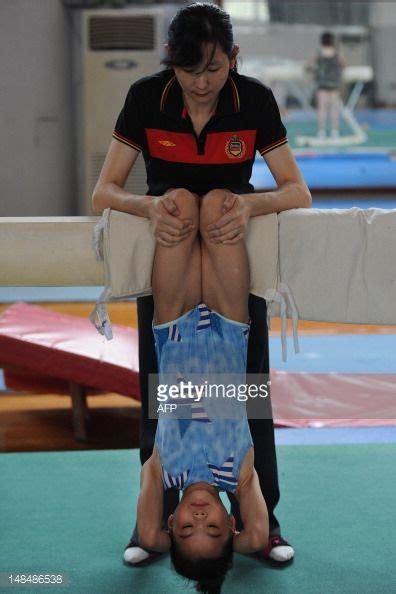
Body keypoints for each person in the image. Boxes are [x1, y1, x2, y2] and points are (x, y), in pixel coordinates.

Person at [92, 0, 311, 569]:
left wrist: (248, 204)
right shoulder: (148, 97)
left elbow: (296, 190)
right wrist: (147, 207)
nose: (202, 83)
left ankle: (266, 521)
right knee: (162, 400)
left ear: (233, 59)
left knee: (250, 398)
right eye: (190, 73)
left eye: (214, 69)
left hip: (233, 249)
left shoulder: (254, 100)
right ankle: (155, 521)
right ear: (172, 65)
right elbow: (105, 191)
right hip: (168, 246)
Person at [135, 187, 269, 593]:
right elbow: (257, 537)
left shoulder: (162, 472)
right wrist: (233, 548)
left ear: (171, 524)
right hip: (230, 326)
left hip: (171, 326)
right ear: (231, 522)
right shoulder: (239, 476)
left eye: (187, 528)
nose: (197, 517)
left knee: (178, 204)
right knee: (217, 205)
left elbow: (148, 535)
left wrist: (162, 540)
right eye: (211, 527)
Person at [307, 31, 346, 139]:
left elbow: (308, 65)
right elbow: (344, 65)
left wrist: (312, 70)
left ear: (322, 41)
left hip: (322, 84)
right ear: (333, 41)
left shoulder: (319, 53)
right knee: (334, 108)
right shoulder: (337, 53)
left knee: (322, 108)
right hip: (334, 83)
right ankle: (335, 131)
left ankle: (321, 132)